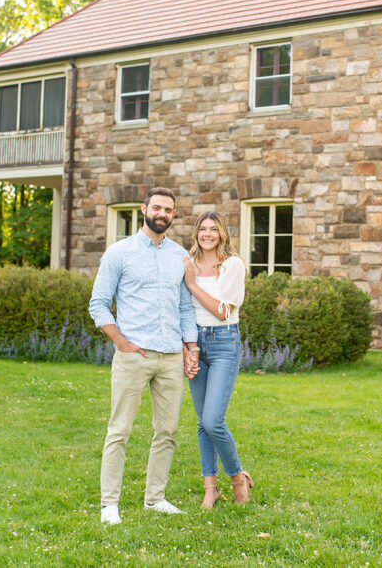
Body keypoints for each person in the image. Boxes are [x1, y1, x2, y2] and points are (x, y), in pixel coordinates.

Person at [89, 187, 200, 526]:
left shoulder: (180, 256)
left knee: (167, 431)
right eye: (157, 207)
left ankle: (155, 498)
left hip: (169, 358)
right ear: (144, 209)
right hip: (133, 354)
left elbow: (184, 307)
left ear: (174, 215)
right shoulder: (119, 253)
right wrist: (121, 342)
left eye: (168, 209)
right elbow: (98, 304)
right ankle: (110, 503)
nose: (162, 213)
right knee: (119, 430)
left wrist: (190, 346)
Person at [181, 211, 254, 508]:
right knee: (202, 421)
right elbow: (182, 309)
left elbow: (223, 311)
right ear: (196, 232)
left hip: (224, 342)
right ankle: (210, 487)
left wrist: (192, 284)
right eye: (202, 228)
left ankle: (237, 477)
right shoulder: (188, 263)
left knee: (213, 420)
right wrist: (188, 347)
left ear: (222, 233)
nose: (207, 234)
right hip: (195, 342)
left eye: (213, 229)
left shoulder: (233, 266)